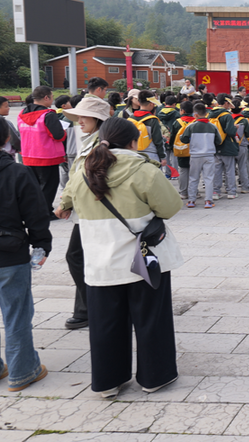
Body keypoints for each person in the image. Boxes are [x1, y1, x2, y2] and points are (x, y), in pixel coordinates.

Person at [55, 117, 184, 398]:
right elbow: (172, 206)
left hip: (100, 261)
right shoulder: (143, 170)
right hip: (145, 260)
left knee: (105, 323)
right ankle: (155, 376)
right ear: (132, 141)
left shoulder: (83, 171)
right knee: (152, 319)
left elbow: (67, 202)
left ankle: (108, 381)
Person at [0, 118, 51, 392]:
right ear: (6, 138)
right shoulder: (17, 172)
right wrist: (42, 244)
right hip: (9, 253)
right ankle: (22, 371)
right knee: (16, 313)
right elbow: (37, 213)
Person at [58, 95, 111, 330]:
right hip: (86, 210)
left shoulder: (102, 143)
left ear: (97, 119)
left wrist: (66, 201)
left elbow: (83, 177)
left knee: (78, 257)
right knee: (81, 257)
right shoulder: (91, 139)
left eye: (83, 116)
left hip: (94, 211)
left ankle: (93, 306)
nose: (79, 120)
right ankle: (87, 307)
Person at [18, 86, 67, 216]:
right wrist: (64, 133)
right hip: (47, 157)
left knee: (34, 186)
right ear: (46, 98)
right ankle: (44, 213)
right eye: (51, 96)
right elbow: (58, 135)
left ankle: (34, 211)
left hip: (28, 156)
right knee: (49, 186)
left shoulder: (22, 114)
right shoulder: (48, 115)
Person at [180, 103, 222, 208]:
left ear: (195, 114)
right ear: (206, 114)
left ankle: (191, 201)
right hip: (209, 155)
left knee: (193, 178)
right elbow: (219, 140)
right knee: (208, 178)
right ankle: (208, 201)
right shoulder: (213, 126)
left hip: (195, 155)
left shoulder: (190, 126)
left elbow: (184, 139)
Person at [208, 95, 241, 201]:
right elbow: (230, 132)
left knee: (216, 170)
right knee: (229, 170)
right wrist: (235, 127)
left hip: (214, 146)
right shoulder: (227, 116)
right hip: (227, 146)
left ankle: (215, 192)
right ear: (226, 103)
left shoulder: (210, 114)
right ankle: (231, 191)